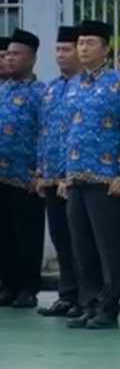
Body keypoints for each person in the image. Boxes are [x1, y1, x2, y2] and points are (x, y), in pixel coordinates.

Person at [63, 20, 120, 329]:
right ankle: (89, 302)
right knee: (82, 245)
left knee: (108, 245)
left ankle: (108, 306)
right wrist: (64, 175)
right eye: (80, 43)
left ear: (105, 48)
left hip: (105, 176)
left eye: (90, 43)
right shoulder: (74, 85)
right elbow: (68, 131)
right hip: (77, 175)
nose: (83, 48)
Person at [36, 26, 83, 318]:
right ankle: (66, 294)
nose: (61, 56)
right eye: (58, 50)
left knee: (81, 241)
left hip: (76, 176)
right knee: (61, 238)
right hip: (52, 175)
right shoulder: (51, 88)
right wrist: (41, 170)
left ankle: (84, 295)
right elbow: (45, 132)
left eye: (67, 50)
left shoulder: (85, 86)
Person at [0, 28, 45, 309]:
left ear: (31, 59)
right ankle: (8, 284)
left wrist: (39, 171)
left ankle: (28, 287)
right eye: (8, 55)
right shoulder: (2, 90)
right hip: (1, 175)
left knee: (27, 234)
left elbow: (46, 133)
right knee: (4, 234)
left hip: (25, 175)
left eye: (16, 55)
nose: (9, 60)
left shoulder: (42, 93)